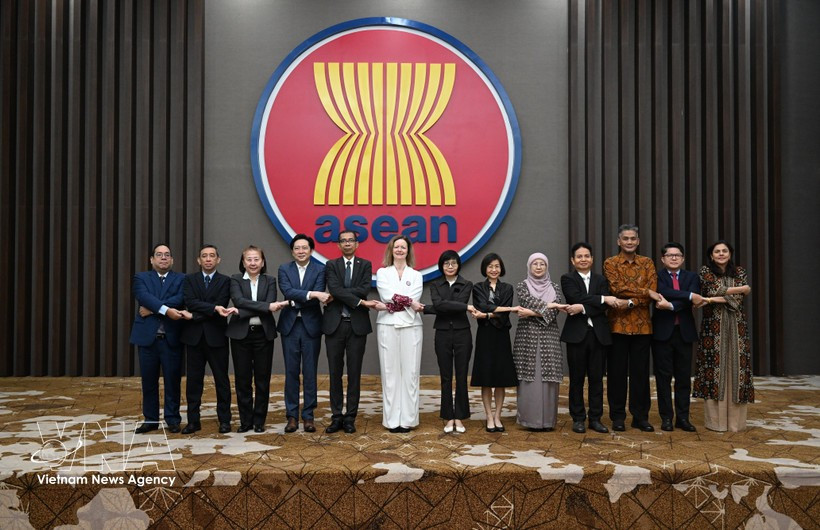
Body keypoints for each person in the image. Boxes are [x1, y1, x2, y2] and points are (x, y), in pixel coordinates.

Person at [603, 224, 663, 432]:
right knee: (616, 374)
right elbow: (616, 288)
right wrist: (645, 292)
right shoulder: (610, 263)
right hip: (617, 326)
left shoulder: (647, 263)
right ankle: (617, 417)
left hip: (643, 328)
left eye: (633, 238)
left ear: (638, 241)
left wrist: (631, 301)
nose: (629, 242)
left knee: (640, 374)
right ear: (619, 241)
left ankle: (640, 417)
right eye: (625, 238)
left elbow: (653, 293)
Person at [693, 240, 754, 432]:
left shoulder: (739, 271)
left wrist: (709, 299)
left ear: (730, 253)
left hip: (737, 327)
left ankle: (736, 423)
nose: (721, 254)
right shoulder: (705, 271)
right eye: (717, 251)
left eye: (724, 251)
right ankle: (716, 423)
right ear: (711, 255)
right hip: (714, 328)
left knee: (737, 370)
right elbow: (712, 289)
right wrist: (740, 289)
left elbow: (730, 298)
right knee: (714, 370)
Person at [226, 246, 287, 433]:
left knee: (262, 379)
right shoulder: (235, 279)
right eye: (249, 260)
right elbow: (239, 300)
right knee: (242, 380)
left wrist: (244, 310)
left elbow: (251, 305)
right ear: (243, 262)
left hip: (263, 334)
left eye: (256, 259)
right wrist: (266, 307)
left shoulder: (270, 280)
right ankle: (246, 421)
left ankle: (259, 420)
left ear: (262, 262)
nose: (253, 263)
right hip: (240, 335)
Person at [560, 242, 619, 434]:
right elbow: (573, 297)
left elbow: (603, 306)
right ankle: (578, 418)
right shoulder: (567, 278)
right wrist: (602, 299)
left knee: (596, 380)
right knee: (576, 380)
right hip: (576, 336)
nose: (583, 259)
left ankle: (595, 418)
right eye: (579, 256)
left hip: (598, 336)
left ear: (592, 259)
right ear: (572, 260)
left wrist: (583, 307)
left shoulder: (601, 279)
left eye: (587, 256)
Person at [322, 230, 377, 434]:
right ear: (338, 245)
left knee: (354, 373)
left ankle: (350, 417)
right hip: (334, 325)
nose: (347, 243)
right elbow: (333, 288)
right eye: (343, 241)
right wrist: (356, 300)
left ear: (357, 244)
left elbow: (363, 289)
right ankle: (336, 417)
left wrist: (342, 295)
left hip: (357, 325)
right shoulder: (331, 265)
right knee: (335, 373)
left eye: (350, 240)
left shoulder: (366, 265)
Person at [130, 244, 188, 434]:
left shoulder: (182, 279)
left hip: (171, 338)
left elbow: (180, 299)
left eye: (167, 255)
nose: (163, 258)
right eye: (159, 255)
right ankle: (151, 419)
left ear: (172, 260)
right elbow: (144, 297)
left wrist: (154, 308)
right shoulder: (141, 278)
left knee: (172, 381)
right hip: (148, 339)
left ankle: (172, 419)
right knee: (148, 381)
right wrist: (165, 310)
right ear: (152, 259)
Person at [180, 244, 237, 435]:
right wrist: (212, 309)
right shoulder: (189, 280)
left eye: (212, 256)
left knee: (222, 381)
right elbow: (190, 302)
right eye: (204, 256)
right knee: (193, 382)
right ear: (199, 260)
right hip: (193, 338)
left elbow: (220, 305)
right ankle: (193, 421)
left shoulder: (225, 281)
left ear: (218, 259)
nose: (208, 259)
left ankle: (225, 421)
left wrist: (195, 315)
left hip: (217, 337)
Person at [277, 234, 329, 433]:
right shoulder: (284, 269)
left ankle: (308, 416)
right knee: (291, 372)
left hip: (311, 326)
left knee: (310, 372)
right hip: (290, 326)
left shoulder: (320, 270)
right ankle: (291, 416)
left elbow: (311, 295)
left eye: (304, 248)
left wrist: (307, 296)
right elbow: (287, 291)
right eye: (297, 248)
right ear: (292, 251)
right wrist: (312, 294)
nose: (301, 251)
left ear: (311, 250)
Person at [374, 235, 425, 433]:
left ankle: (408, 420)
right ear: (391, 250)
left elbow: (414, 297)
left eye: (403, 247)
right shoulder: (382, 272)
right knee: (390, 373)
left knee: (411, 373)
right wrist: (409, 303)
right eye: (397, 247)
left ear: (408, 251)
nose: (400, 250)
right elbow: (387, 295)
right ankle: (392, 420)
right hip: (387, 326)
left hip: (412, 326)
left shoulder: (416, 275)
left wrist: (388, 306)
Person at [512, 253, 567, 431]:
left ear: (546, 266)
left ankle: (547, 421)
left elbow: (553, 313)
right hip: (527, 338)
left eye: (542, 264)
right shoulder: (522, 285)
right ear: (529, 266)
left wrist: (531, 312)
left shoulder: (555, 287)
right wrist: (551, 305)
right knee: (528, 377)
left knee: (548, 378)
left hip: (549, 336)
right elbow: (527, 301)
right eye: (534, 263)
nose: (538, 267)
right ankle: (529, 420)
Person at [422, 250, 476, 434]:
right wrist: (465, 307)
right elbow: (440, 305)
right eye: (446, 264)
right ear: (441, 266)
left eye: (453, 263)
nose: (450, 266)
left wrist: (441, 306)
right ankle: (448, 416)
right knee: (445, 376)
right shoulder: (436, 285)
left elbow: (445, 306)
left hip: (462, 334)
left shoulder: (466, 284)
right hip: (443, 333)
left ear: (458, 265)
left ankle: (459, 416)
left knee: (461, 376)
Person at [652, 242, 701, 432]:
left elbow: (691, 299)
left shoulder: (692, 277)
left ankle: (683, 418)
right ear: (663, 259)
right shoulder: (657, 276)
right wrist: (688, 296)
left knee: (683, 378)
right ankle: (666, 418)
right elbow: (662, 292)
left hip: (684, 333)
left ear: (683, 259)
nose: (674, 258)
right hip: (662, 334)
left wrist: (672, 305)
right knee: (663, 378)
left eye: (677, 255)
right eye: (669, 255)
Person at [470, 253, 519, 433]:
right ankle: (488, 416)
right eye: (490, 266)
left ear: (501, 268)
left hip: (501, 335)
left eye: (497, 266)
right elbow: (482, 306)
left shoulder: (507, 288)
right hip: (485, 335)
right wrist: (501, 310)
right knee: (486, 378)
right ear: (485, 268)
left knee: (500, 379)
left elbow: (498, 312)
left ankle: (498, 415)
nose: (494, 270)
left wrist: (489, 314)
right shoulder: (478, 288)